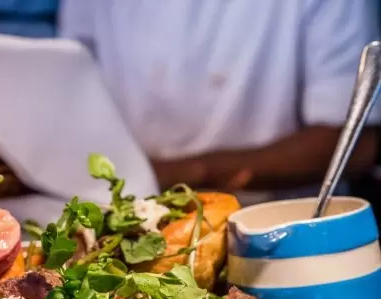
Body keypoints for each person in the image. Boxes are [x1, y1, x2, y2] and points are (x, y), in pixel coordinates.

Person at [58, 0, 381, 202]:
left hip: (279, 228)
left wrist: (177, 173)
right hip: (128, 220)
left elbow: (357, 145)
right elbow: (70, 94)